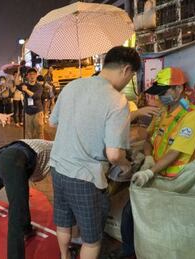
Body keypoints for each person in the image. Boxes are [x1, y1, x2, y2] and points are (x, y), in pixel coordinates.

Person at [49, 46, 140, 259]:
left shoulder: (72, 85)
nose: (129, 81)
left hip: (57, 167)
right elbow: (114, 155)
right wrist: (127, 165)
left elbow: (53, 123)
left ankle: (64, 256)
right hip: (85, 177)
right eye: (132, 76)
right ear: (126, 70)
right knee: (92, 239)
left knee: (63, 222)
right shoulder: (117, 101)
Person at [109, 67, 195, 259]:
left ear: (179, 89)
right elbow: (148, 138)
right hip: (156, 174)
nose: (160, 97)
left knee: (168, 224)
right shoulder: (162, 113)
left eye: (163, 92)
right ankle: (130, 250)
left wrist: (149, 172)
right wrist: (148, 158)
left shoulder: (192, 116)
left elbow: (176, 152)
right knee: (130, 212)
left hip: (178, 182)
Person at [0, 139, 52, 259]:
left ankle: (26, 228)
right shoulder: (53, 150)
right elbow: (38, 175)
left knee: (19, 193)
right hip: (13, 161)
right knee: (17, 211)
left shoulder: (42, 143)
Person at [19, 68, 44, 139]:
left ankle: (40, 148)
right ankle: (29, 148)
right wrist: (18, 72)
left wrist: (26, 90)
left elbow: (36, 96)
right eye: (30, 74)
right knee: (28, 133)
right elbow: (17, 84)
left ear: (36, 75)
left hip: (37, 112)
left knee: (39, 132)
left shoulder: (39, 86)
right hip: (28, 112)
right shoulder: (24, 85)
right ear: (27, 76)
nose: (32, 76)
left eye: (34, 74)